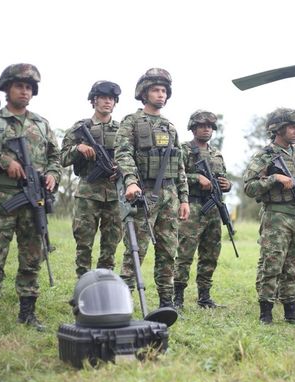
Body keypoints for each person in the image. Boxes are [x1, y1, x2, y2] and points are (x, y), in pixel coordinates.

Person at [0, 63, 61, 331]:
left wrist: (54, 175)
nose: (25, 91)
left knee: (32, 257)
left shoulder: (41, 125)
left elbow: (56, 158)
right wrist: (2, 160)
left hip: (34, 201)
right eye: (20, 86)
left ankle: (28, 314)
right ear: (7, 88)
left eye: (29, 87)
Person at [114, 67, 189, 309]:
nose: (161, 95)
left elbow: (179, 166)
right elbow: (123, 154)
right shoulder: (131, 122)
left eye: (164, 91)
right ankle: (122, 300)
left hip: (170, 196)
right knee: (136, 250)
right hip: (143, 194)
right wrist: (130, 181)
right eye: (156, 90)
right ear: (144, 94)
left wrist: (184, 199)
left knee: (168, 251)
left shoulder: (170, 127)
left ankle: (167, 302)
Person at [243, 108, 295, 324]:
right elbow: (249, 187)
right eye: (292, 127)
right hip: (277, 216)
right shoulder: (265, 155)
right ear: (278, 129)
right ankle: (266, 312)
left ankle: (291, 311)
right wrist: (274, 178)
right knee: (272, 264)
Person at [61, 81, 123, 278]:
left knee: (110, 245)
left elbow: (133, 160)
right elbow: (61, 158)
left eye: (111, 99)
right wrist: (77, 149)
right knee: (84, 244)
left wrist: (120, 169)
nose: (107, 102)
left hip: (114, 195)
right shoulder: (80, 129)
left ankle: (105, 284)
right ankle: (83, 284)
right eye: (103, 98)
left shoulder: (122, 131)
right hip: (88, 193)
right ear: (94, 100)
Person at [174, 110, 232, 308]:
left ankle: (204, 297)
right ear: (193, 128)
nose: (206, 129)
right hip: (191, 205)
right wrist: (196, 178)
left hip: (213, 208)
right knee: (185, 253)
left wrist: (227, 185)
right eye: (202, 126)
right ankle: (178, 297)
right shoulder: (183, 149)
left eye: (209, 126)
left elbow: (222, 177)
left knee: (210, 253)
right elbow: (173, 175)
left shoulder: (217, 153)